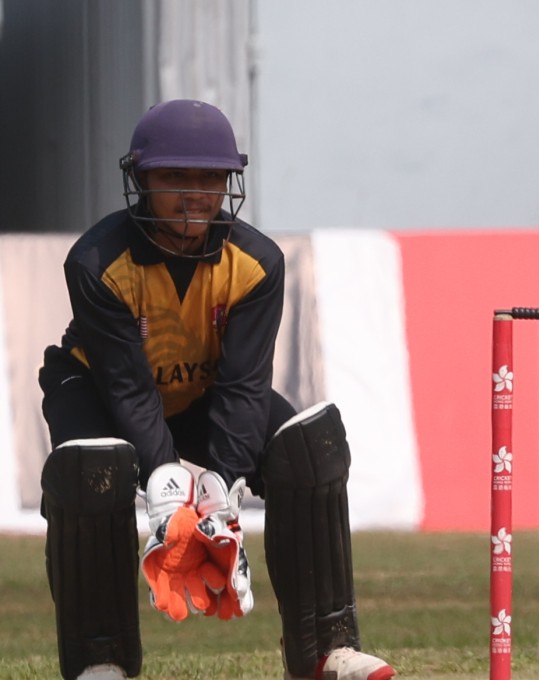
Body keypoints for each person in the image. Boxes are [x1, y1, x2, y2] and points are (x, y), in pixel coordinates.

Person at [37, 99, 395, 680]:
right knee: (88, 472)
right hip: (99, 388)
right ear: (140, 180)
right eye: (174, 177)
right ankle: (99, 661)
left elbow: (245, 385)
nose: (194, 194)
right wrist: (167, 484)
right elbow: (128, 387)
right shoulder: (96, 262)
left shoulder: (258, 263)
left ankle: (327, 651)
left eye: (210, 178)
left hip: (202, 392)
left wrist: (219, 492)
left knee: (308, 450)